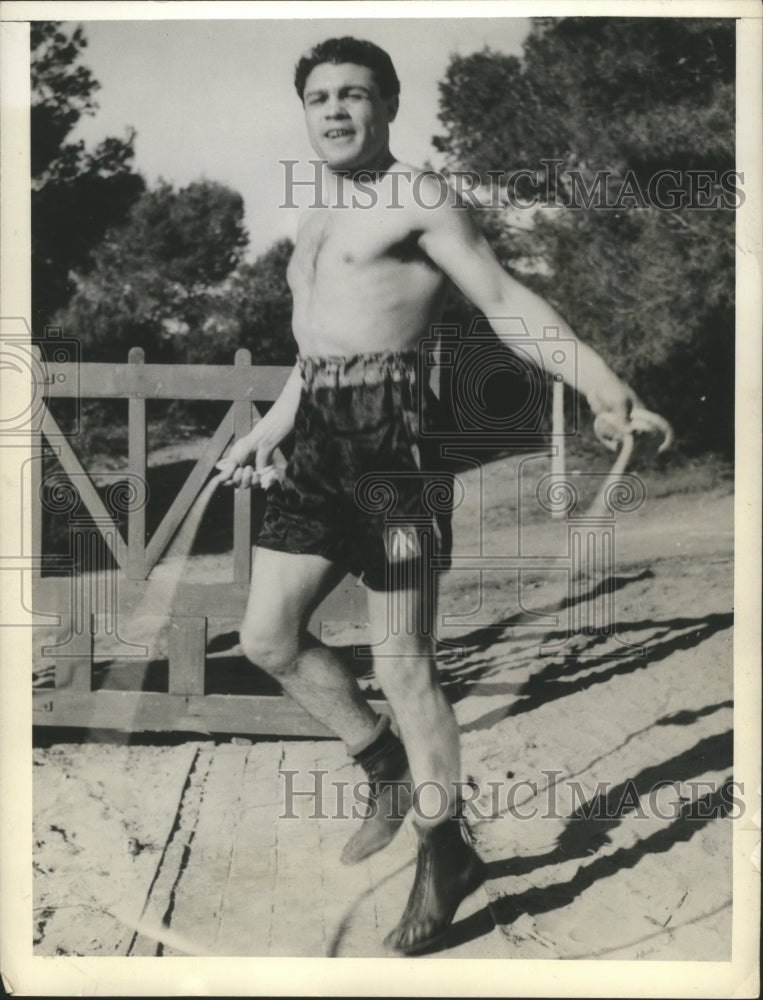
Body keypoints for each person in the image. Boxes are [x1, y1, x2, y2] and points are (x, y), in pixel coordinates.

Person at [216, 37, 643, 955]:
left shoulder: (420, 197)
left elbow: (504, 298)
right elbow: (319, 347)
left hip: (395, 452)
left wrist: (601, 386)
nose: (335, 111)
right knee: (266, 638)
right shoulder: (320, 210)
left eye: (355, 95)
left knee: (405, 662)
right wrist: (271, 424)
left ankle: (444, 851)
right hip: (319, 447)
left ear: (388, 105)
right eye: (321, 97)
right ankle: (384, 765)